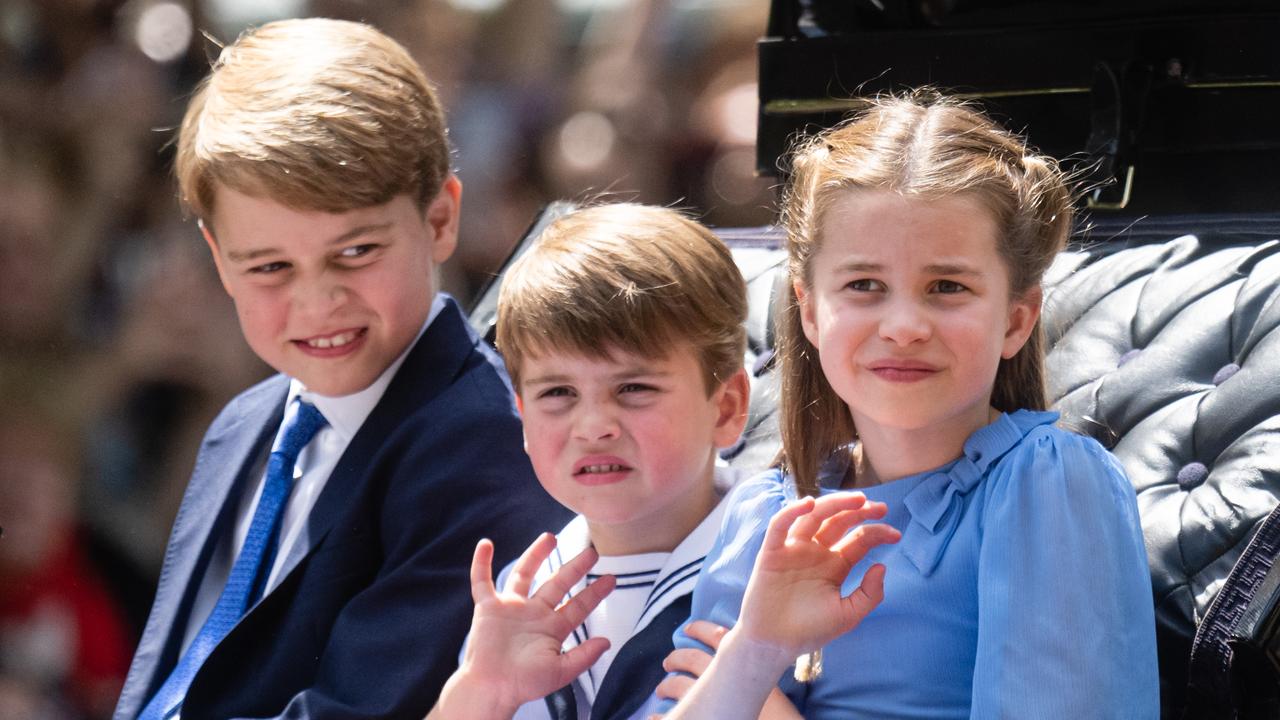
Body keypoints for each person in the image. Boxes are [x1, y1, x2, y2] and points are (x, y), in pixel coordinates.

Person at [113, 18, 571, 720]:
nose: (317, 302)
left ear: (441, 219)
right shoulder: (244, 425)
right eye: (269, 267)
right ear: (218, 258)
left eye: (355, 252)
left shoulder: (488, 451)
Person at [655, 93, 1160, 718]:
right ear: (811, 311)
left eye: (947, 287)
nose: (903, 325)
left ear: (1016, 319)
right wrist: (754, 651)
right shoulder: (763, 517)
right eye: (864, 285)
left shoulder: (1044, 487)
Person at [426, 203, 753, 720]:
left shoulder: (779, 570)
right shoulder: (520, 595)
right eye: (558, 392)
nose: (594, 425)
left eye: (633, 388)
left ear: (728, 407)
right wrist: (479, 694)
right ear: (523, 418)